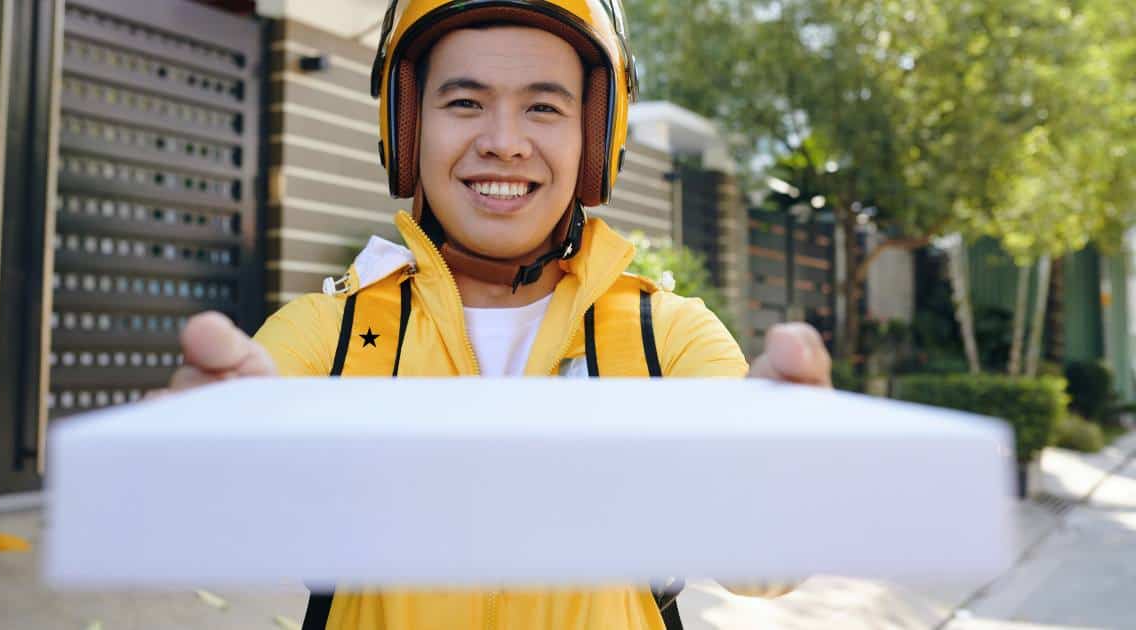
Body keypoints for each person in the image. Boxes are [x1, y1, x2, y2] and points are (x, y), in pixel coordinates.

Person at [163, 1, 832, 628]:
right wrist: (195, 460)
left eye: (543, 107)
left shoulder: (669, 340)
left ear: (595, 138)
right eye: (465, 102)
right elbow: (212, 515)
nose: (504, 142)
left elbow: (761, 564)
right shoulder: (329, 335)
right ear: (408, 127)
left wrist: (782, 477)